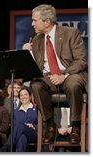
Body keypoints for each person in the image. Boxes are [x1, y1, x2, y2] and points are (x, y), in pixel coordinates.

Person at [23, 4, 87, 144]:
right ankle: (50, 125)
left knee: (74, 83)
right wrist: (27, 55)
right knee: (36, 85)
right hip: (48, 77)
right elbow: (36, 69)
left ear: (47, 21)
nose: (32, 23)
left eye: (35, 20)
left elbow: (81, 61)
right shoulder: (36, 40)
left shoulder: (71, 33)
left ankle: (75, 125)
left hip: (70, 74)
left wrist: (63, 75)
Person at [0, 87, 37, 152]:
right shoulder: (15, 112)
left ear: (30, 97)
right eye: (21, 95)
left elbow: (43, 125)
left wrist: (33, 126)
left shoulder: (36, 109)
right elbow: (13, 127)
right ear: (19, 98)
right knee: (22, 138)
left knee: (20, 125)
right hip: (20, 136)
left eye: (26, 94)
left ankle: (6, 147)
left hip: (33, 134)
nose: (23, 97)